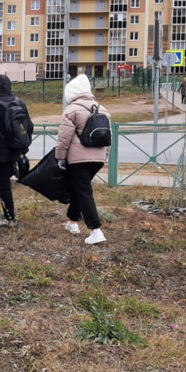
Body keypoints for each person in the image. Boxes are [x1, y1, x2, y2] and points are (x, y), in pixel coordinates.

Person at [56, 74, 111, 245]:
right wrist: (104, 156)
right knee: (79, 188)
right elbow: (109, 138)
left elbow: (64, 138)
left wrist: (60, 157)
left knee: (83, 191)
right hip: (98, 158)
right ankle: (72, 223)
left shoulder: (72, 110)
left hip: (78, 159)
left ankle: (95, 230)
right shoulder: (102, 109)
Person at [0, 74, 32, 227]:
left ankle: (9, 218)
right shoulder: (19, 102)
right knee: (5, 182)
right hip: (16, 148)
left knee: (4, 185)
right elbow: (29, 125)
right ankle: (9, 215)